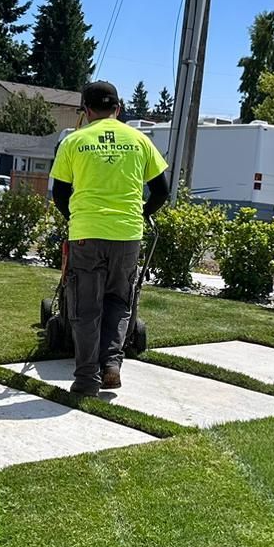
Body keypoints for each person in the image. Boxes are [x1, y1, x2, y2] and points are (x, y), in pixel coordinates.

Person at [50, 80, 171, 396]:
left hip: (87, 234)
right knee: (119, 301)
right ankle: (111, 365)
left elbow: (59, 192)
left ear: (86, 111)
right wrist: (142, 214)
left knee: (85, 306)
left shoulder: (74, 142)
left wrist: (74, 218)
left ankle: (87, 378)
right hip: (128, 235)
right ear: (118, 109)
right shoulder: (140, 141)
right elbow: (162, 191)